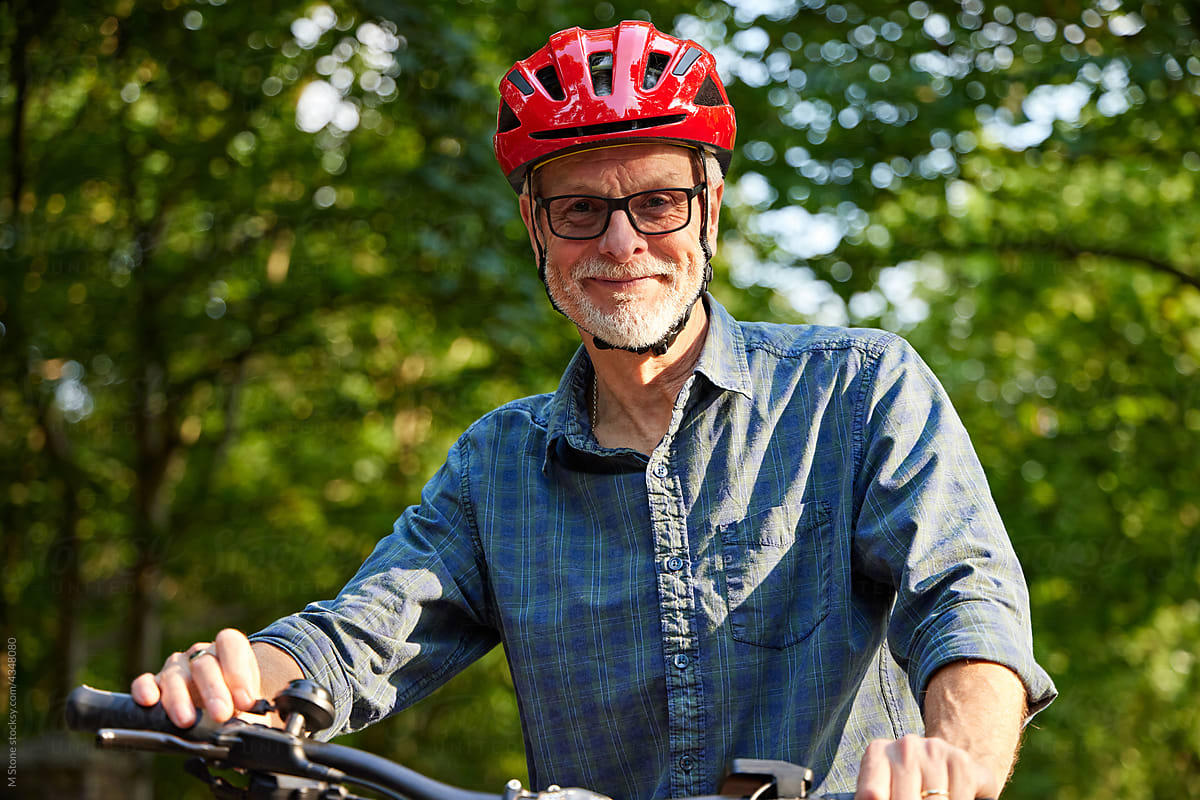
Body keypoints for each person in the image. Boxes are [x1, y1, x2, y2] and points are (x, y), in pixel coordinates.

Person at [131, 20, 1055, 800]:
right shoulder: (497, 467)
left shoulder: (856, 390)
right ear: (537, 229)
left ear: (710, 212)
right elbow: (363, 633)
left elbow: (966, 599)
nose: (621, 242)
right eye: (579, 210)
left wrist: (953, 762)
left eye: (657, 202)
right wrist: (242, 677)